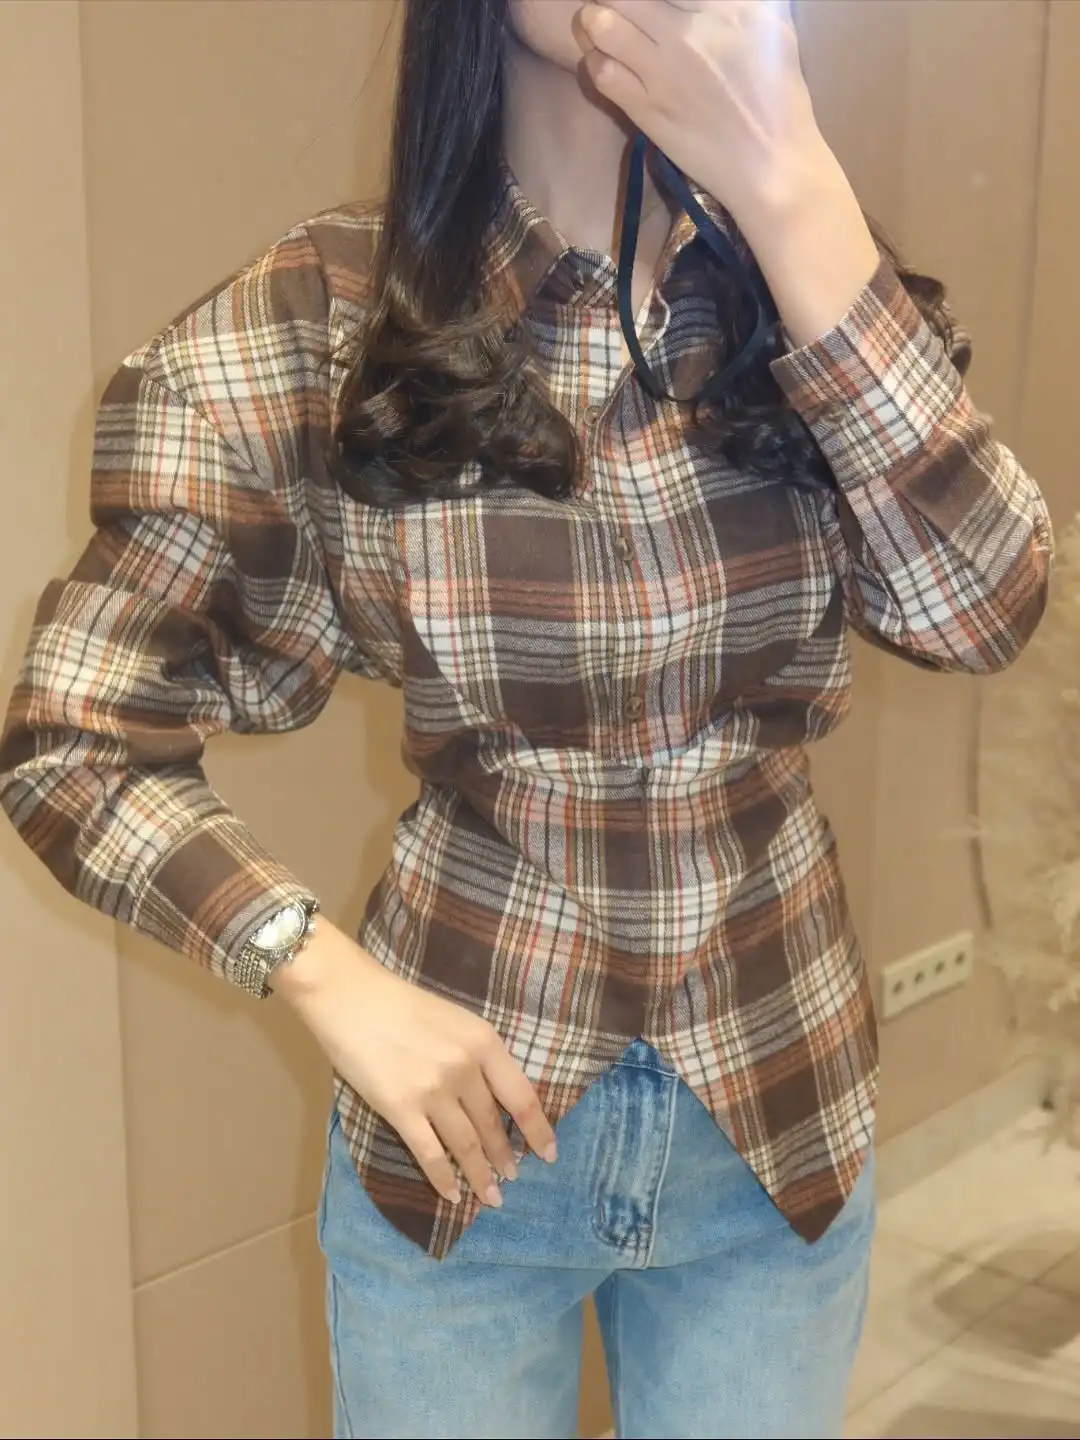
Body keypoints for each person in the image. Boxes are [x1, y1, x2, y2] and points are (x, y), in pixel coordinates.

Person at [0, 2, 1053, 1437]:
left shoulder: (805, 287)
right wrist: (324, 976)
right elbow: (71, 738)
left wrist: (794, 185)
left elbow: (982, 610)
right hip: (462, 1154)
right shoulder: (323, 319)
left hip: (777, 1114)